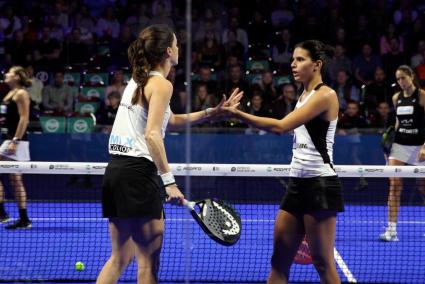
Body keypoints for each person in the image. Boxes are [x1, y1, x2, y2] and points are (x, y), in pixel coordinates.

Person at [97, 25, 241, 284]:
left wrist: (211, 112)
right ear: (168, 51)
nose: (179, 49)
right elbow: (153, 134)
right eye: (176, 44)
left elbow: (170, 121)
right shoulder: (161, 84)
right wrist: (170, 182)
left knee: (119, 258)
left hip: (116, 172)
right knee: (148, 265)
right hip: (140, 174)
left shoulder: (136, 80)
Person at [223, 40, 343, 284]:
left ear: (317, 64)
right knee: (279, 262)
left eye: (300, 59)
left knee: (323, 263)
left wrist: (238, 114)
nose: (293, 64)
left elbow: (281, 127)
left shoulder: (325, 95)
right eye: (293, 59)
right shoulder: (303, 95)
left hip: (320, 186)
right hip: (296, 186)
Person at [379, 65, 425, 242]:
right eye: (398, 79)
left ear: (412, 76)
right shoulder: (396, 97)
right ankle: (391, 231)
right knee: (395, 185)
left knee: (423, 186)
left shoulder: (421, 96)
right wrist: (389, 146)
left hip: (419, 146)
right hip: (400, 146)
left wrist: (424, 147)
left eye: (404, 78)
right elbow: (398, 122)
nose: (401, 82)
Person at [0, 66, 32, 229]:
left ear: (17, 77)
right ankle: (21, 217)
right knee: (15, 179)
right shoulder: (9, 93)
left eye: (10, 73)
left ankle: (6, 214)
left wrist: (15, 140)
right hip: (8, 139)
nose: (6, 74)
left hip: (16, 141)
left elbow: (24, 118)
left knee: (16, 179)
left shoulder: (21, 93)